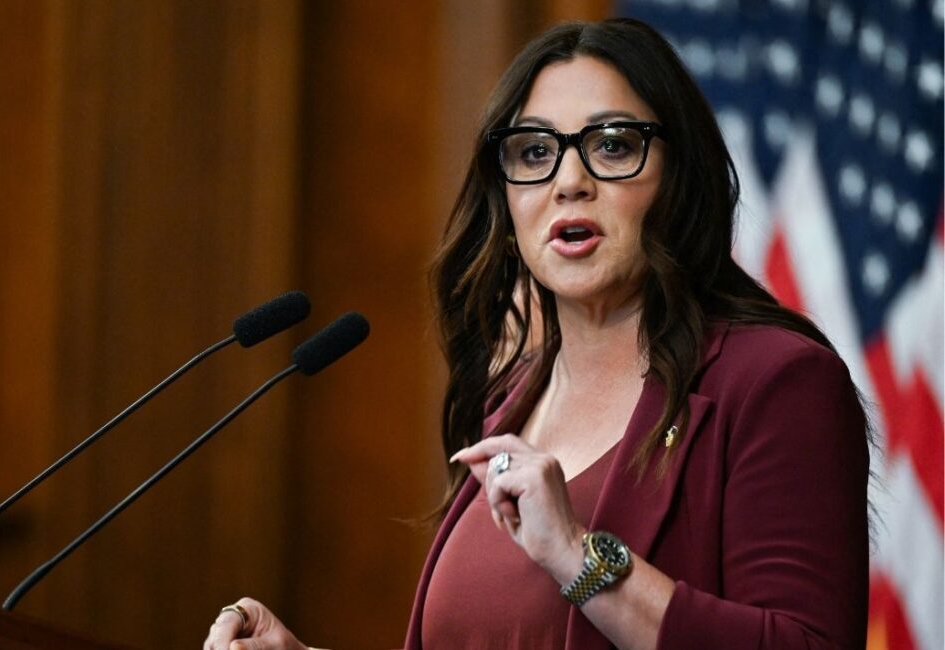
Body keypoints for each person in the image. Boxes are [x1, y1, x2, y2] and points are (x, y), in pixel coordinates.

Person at [204, 17, 870, 650]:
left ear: (679, 176)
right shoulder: (512, 399)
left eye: (614, 145)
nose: (569, 181)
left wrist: (579, 557)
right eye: (534, 152)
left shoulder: (776, 382)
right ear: (507, 200)